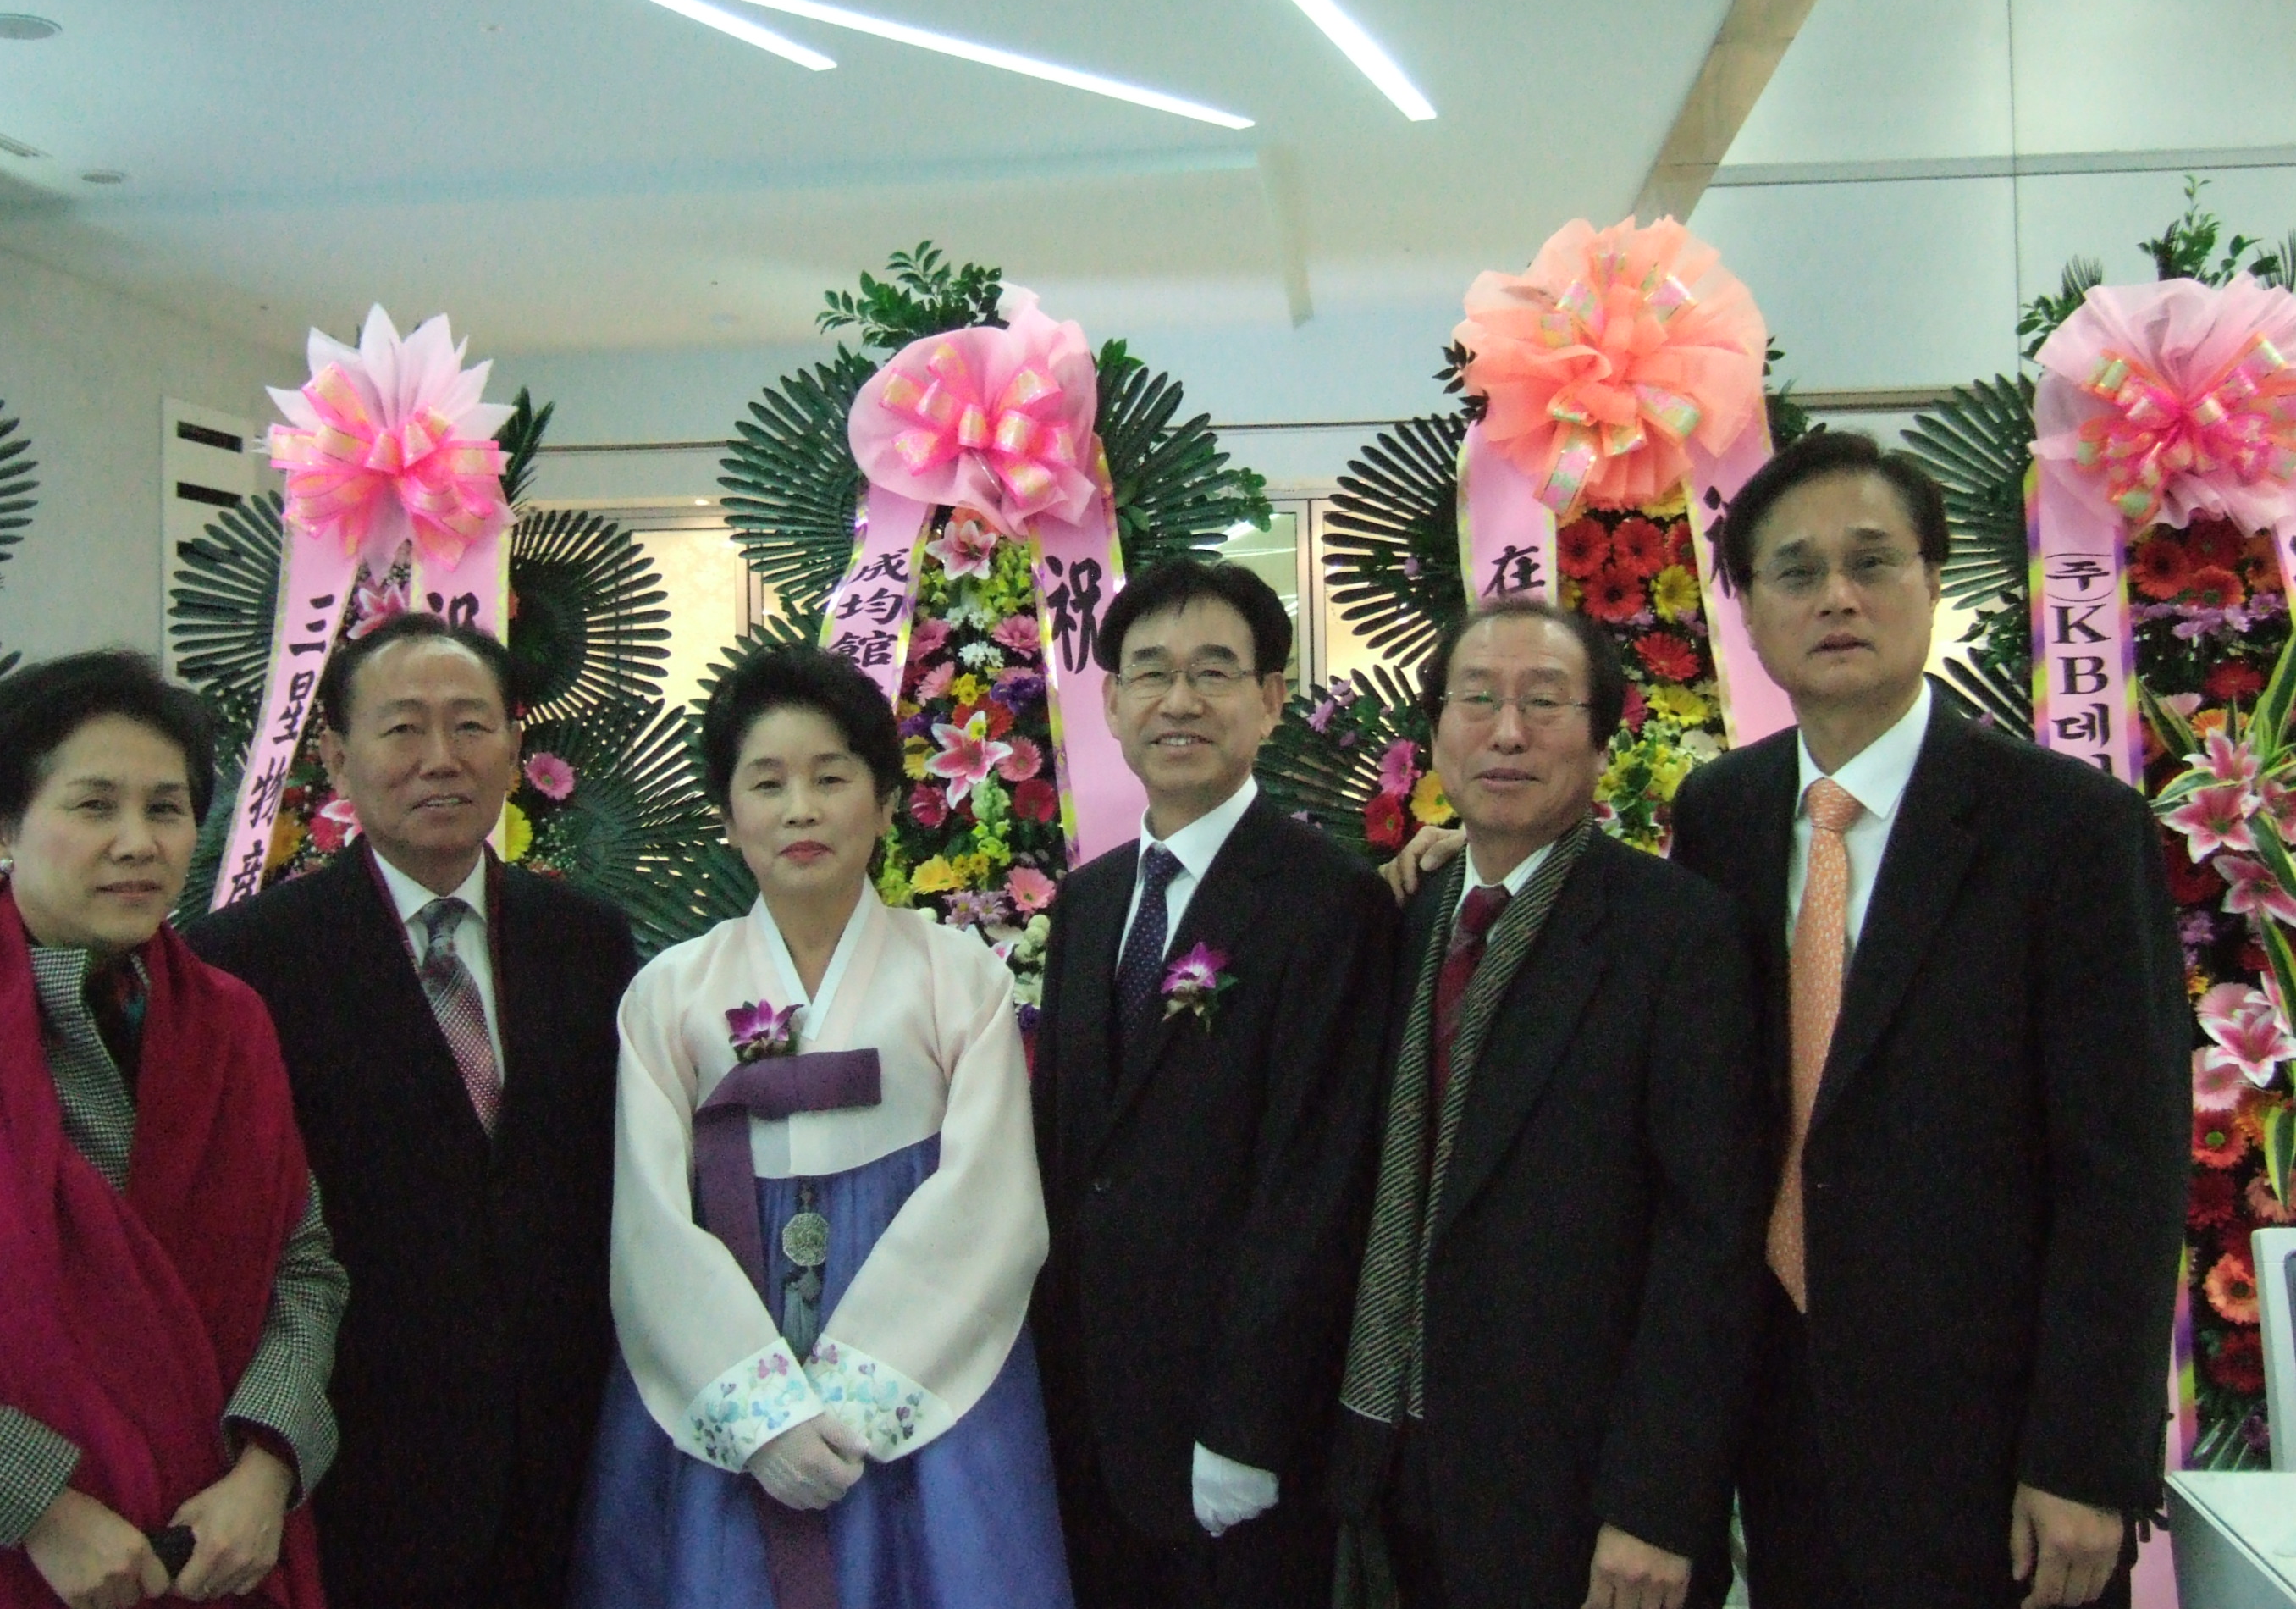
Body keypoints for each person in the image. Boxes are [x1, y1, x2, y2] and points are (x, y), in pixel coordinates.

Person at [1669, 433, 2187, 1609]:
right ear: (1746, 607)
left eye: (1871, 562)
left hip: (1999, 1448)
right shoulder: (1722, 816)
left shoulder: (2069, 829)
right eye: (1796, 571)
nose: (1836, 597)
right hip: (1783, 1426)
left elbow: (2126, 1169)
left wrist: (2084, 1458)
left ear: (1932, 580)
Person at [569, 642, 1070, 1609]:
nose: (800, 809)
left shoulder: (958, 978)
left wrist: (853, 1401)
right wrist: (762, 1415)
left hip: (931, 1381)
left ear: (884, 804)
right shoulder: (669, 996)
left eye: (831, 777)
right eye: (767, 783)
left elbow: (991, 1207)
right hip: (729, 1362)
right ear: (727, 816)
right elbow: (650, 1229)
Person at [189, 612, 640, 1609]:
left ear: (514, 749)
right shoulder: (248, 961)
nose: (442, 757)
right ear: (335, 757)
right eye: (402, 728)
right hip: (361, 1460)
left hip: (568, 1454)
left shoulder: (589, 941)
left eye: (471, 725)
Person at [0, 650, 344, 1609]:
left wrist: (269, 1464)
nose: (137, 842)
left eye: (165, 808)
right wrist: (34, 1504)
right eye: (95, 806)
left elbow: (301, 1265)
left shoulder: (230, 1024)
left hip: (219, 1554)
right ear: (1, 830)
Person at [1334, 599, 1766, 1609]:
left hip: (1577, 1490)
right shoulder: (1401, 915)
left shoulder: (1678, 935)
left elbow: (1710, 1240)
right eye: (1475, 699)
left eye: (1543, 702)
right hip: (1389, 1458)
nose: (1507, 731)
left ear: (1603, 740)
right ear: (1435, 731)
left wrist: (1657, 1502)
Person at [1031, 557, 1399, 1609]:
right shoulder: (1089, 901)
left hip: (1232, 1432)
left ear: (1270, 699)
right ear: (1111, 703)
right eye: (1150, 673)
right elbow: (1070, 1152)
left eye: (1213, 671)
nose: (1179, 701)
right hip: (1087, 1412)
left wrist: (1249, 1426)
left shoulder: (1327, 903)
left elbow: (1319, 1184)